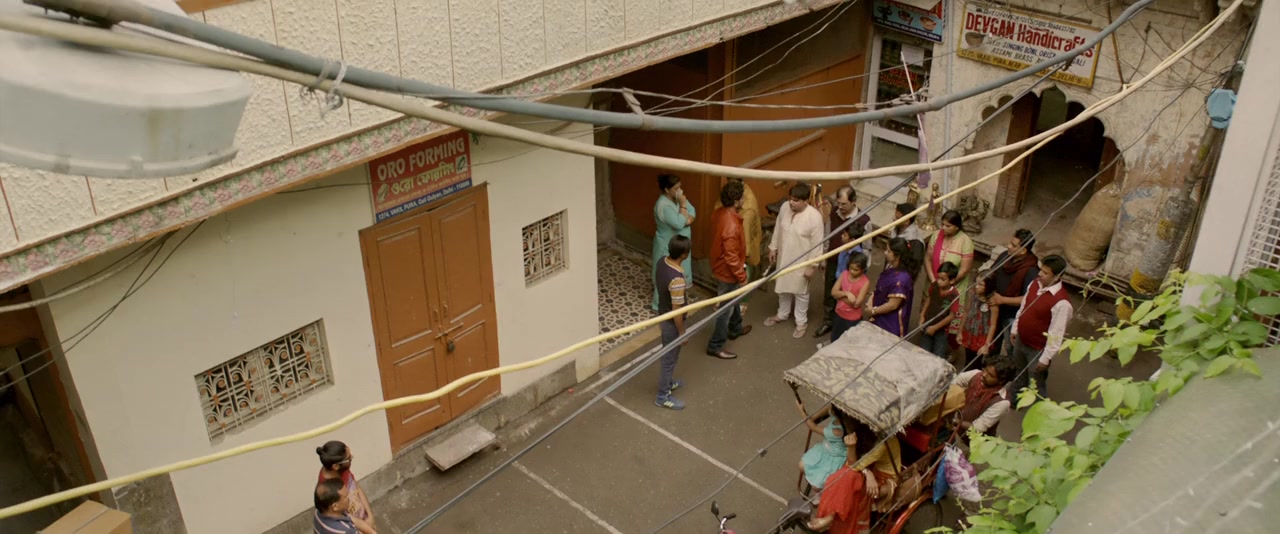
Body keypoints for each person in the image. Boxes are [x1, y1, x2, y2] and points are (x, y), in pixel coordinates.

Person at [808, 425, 903, 534]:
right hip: (869, 466)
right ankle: (830, 515)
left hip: (884, 478)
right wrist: (867, 472)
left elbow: (853, 466)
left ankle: (831, 516)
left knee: (849, 478)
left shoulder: (883, 443)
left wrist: (851, 448)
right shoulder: (869, 434)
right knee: (843, 476)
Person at [764, 183, 826, 338]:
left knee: (801, 292)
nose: (791, 202)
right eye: (790, 198)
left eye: (796, 200)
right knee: (782, 287)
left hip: (802, 261)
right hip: (784, 257)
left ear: (806, 201)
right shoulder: (785, 207)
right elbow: (778, 227)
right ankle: (782, 314)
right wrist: (773, 247)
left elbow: (817, 244)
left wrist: (812, 265)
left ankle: (801, 322)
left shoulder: (814, 217)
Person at [1010, 255, 1074, 400]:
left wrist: (1045, 358)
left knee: (1036, 381)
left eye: (1045, 273)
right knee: (1018, 373)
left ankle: (1037, 406)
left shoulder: (1061, 303)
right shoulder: (1034, 284)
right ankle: (1014, 400)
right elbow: (1023, 308)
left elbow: (1056, 334)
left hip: (1037, 349)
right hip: (1021, 339)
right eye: (1041, 270)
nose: (1039, 274)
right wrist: (1015, 328)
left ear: (1057, 277)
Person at [816, 186, 871, 338]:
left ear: (854, 201)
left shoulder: (864, 220)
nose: (840, 207)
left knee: (849, 296)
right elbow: (827, 236)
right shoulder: (834, 213)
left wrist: (862, 270)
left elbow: (867, 248)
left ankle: (844, 323)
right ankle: (829, 321)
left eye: (844, 204)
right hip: (834, 261)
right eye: (838, 203)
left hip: (852, 268)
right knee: (830, 292)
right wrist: (824, 258)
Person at [706, 181, 752, 359]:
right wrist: (742, 276)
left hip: (721, 266)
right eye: (742, 198)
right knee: (724, 311)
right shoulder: (732, 225)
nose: (744, 200)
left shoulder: (720, 213)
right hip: (727, 272)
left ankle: (735, 328)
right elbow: (731, 257)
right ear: (735, 201)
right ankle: (715, 345)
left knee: (734, 299)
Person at [984, 229, 1039, 351]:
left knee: (1010, 346)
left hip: (1012, 315)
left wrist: (1003, 300)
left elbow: (1029, 298)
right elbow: (992, 274)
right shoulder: (1005, 256)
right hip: (995, 307)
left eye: (1013, 245)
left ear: (1023, 251)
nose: (1008, 246)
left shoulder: (1031, 270)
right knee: (991, 342)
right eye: (1010, 243)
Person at [655, 235, 692, 410]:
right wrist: (682, 332)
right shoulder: (677, 279)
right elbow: (677, 312)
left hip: (663, 315)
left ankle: (668, 383)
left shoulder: (662, 262)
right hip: (671, 323)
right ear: (684, 254)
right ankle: (662, 396)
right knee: (669, 360)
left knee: (669, 357)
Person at [652, 174, 696, 310]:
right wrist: (683, 207)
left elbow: (692, 211)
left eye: (680, 187)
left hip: (679, 246)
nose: (680, 191)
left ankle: (677, 301)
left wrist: (687, 219)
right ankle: (659, 306)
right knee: (666, 275)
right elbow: (678, 223)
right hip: (668, 247)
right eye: (676, 188)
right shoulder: (663, 206)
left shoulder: (677, 199)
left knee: (678, 276)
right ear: (667, 189)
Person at [720, 178, 763, 314]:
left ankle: (742, 302)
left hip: (743, 247)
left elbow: (746, 243)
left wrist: (744, 256)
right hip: (735, 244)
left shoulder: (747, 209)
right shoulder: (736, 192)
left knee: (744, 271)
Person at [950, 356, 1018, 438]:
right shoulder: (976, 374)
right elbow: (951, 382)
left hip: (971, 441)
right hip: (954, 428)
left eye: (991, 375)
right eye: (985, 370)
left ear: (1001, 381)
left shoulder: (1002, 402)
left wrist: (954, 421)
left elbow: (978, 428)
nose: (984, 374)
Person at [864, 238, 918, 338]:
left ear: (897, 256)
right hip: (879, 313)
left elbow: (892, 305)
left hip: (890, 324)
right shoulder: (891, 267)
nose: (885, 253)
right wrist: (872, 299)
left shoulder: (901, 280)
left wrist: (873, 311)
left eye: (888, 251)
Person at [795, 404, 856, 492]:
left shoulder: (838, 432)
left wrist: (801, 411)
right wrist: (813, 417)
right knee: (802, 465)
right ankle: (814, 479)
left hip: (834, 459)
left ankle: (821, 492)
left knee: (817, 486)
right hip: (824, 450)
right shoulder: (838, 417)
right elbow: (828, 409)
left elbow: (813, 427)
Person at [925, 210, 975, 315]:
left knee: (947, 316)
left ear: (957, 227)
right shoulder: (936, 235)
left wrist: (947, 283)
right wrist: (934, 281)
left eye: (948, 226)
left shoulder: (965, 242)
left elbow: (964, 269)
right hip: (933, 282)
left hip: (953, 286)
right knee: (928, 313)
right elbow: (928, 259)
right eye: (942, 224)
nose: (943, 228)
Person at [317, 441, 374, 529]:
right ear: (335, 466)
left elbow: (356, 487)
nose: (352, 457)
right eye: (349, 458)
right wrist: (366, 529)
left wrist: (370, 516)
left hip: (365, 520)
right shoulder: (327, 489)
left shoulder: (342, 469)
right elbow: (341, 518)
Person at [918, 262, 960, 359]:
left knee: (938, 355)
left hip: (941, 331)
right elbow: (929, 299)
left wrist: (935, 328)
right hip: (927, 323)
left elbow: (951, 316)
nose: (939, 281)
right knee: (923, 352)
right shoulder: (934, 286)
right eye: (938, 278)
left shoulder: (954, 295)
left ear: (952, 280)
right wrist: (922, 315)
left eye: (943, 279)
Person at [958, 276, 1000, 368]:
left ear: (988, 286)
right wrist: (960, 332)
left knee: (976, 363)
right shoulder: (973, 295)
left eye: (980, 284)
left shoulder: (992, 302)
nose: (977, 286)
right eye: (976, 283)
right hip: (970, 333)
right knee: (968, 359)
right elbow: (966, 312)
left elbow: (993, 325)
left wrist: (986, 345)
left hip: (981, 337)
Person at [829, 251, 870, 343]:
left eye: (856, 270)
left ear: (862, 269)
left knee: (848, 342)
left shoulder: (865, 282)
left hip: (852, 318)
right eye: (850, 268)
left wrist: (839, 296)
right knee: (835, 339)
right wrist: (846, 293)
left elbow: (856, 304)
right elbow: (833, 292)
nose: (852, 271)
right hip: (839, 313)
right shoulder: (844, 274)